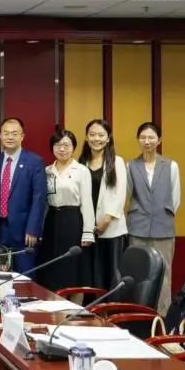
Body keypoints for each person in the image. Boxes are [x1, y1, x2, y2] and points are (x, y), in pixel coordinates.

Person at [127, 122, 181, 316]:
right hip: (138, 227)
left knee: (164, 273)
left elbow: (175, 199)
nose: (147, 141)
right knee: (137, 272)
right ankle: (138, 315)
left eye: (151, 137)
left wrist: (162, 214)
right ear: (138, 140)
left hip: (163, 227)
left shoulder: (171, 166)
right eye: (143, 137)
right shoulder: (131, 166)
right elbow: (127, 194)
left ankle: (162, 316)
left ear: (159, 140)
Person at [39, 130, 95, 292]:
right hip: (52, 221)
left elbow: (87, 202)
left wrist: (88, 232)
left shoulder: (81, 170)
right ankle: (55, 302)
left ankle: (75, 305)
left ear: (73, 147)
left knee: (73, 267)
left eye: (66, 145)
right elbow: (43, 203)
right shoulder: (47, 171)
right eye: (57, 145)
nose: (62, 149)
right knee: (53, 266)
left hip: (73, 221)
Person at [0, 117, 46, 272]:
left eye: (14, 133)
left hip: (24, 231)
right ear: (0, 136)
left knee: (24, 277)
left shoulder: (35, 161)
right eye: (6, 133)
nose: (10, 137)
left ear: (22, 136)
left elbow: (39, 198)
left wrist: (33, 228)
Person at [79, 119, 127, 290]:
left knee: (110, 275)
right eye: (92, 135)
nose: (96, 139)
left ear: (108, 138)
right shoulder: (81, 162)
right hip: (87, 228)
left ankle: (110, 306)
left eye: (101, 135)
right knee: (90, 275)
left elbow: (120, 194)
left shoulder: (117, 162)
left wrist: (106, 219)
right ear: (86, 137)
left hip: (111, 228)